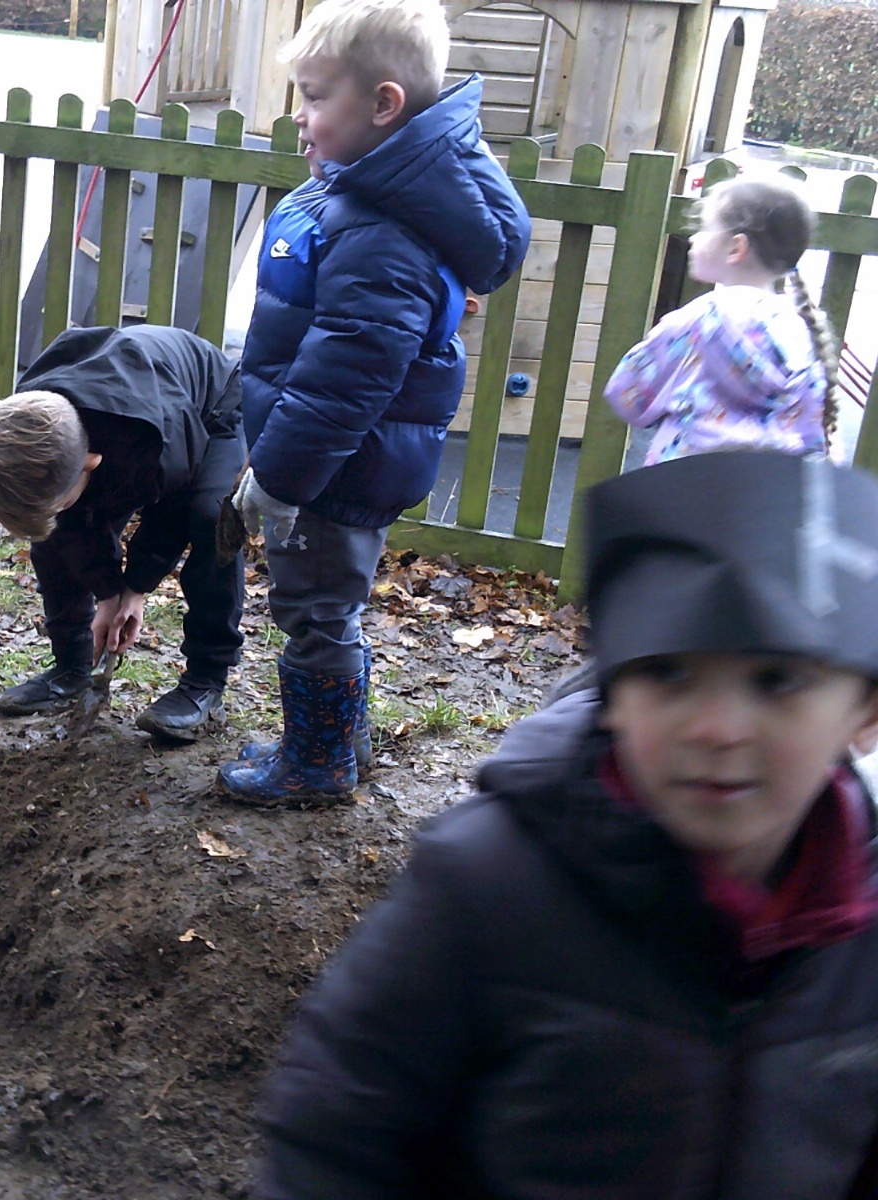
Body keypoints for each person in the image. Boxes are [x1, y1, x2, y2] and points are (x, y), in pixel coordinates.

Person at [255, 449, 878, 1198]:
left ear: (866, 711)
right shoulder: (484, 887)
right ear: (611, 694)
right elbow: (335, 1132)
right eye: (668, 672)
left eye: (777, 680)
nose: (717, 729)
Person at [219, 0, 531, 802]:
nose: (300, 114)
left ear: (385, 105)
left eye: (317, 96)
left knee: (316, 609)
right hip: (335, 456)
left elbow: (346, 376)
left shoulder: (380, 230)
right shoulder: (367, 198)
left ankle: (317, 764)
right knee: (328, 603)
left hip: (331, 467)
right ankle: (341, 742)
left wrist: (281, 478)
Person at [0, 324, 244, 742]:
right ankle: (73, 667)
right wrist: (107, 592)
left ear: (91, 463)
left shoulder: (151, 440)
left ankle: (206, 683)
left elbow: (170, 516)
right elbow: (74, 530)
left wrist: (135, 589)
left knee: (212, 517)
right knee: (54, 532)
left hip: (210, 406)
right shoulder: (28, 424)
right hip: (115, 420)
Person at [605, 175, 840, 465]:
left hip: (686, 482)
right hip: (768, 484)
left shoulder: (702, 319)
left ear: (736, 248)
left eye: (705, 228)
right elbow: (809, 428)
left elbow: (628, 394)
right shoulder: (799, 327)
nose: (693, 238)